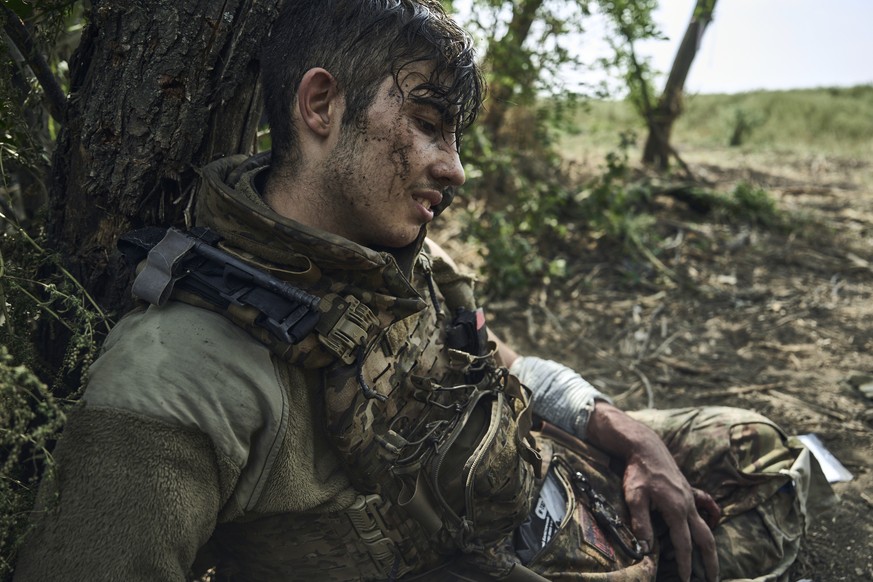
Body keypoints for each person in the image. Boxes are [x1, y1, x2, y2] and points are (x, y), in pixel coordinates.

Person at [14, 1, 832, 581]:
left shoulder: (401, 257)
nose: (455, 167)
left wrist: (628, 438)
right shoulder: (180, 370)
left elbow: (505, 367)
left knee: (764, 452)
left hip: (546, 475)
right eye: (428, 123)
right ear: (321, 104)